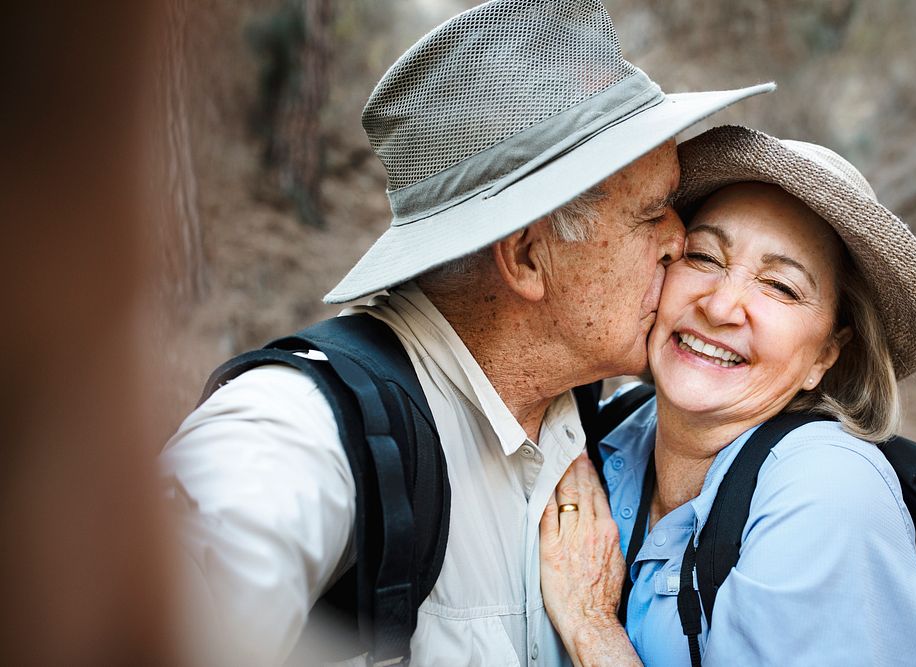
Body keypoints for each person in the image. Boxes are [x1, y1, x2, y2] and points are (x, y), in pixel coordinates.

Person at [161, 1, 774, 664]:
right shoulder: (299, 435)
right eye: (650, 213)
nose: (680, 240)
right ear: (527, 257)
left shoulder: (611, 426)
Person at [540, 125, 916, 666]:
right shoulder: (611, 431)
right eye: (704, 257)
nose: (721, 307)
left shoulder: (829, 496)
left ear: (828, 354)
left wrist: (591, 626)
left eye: (781, 287)